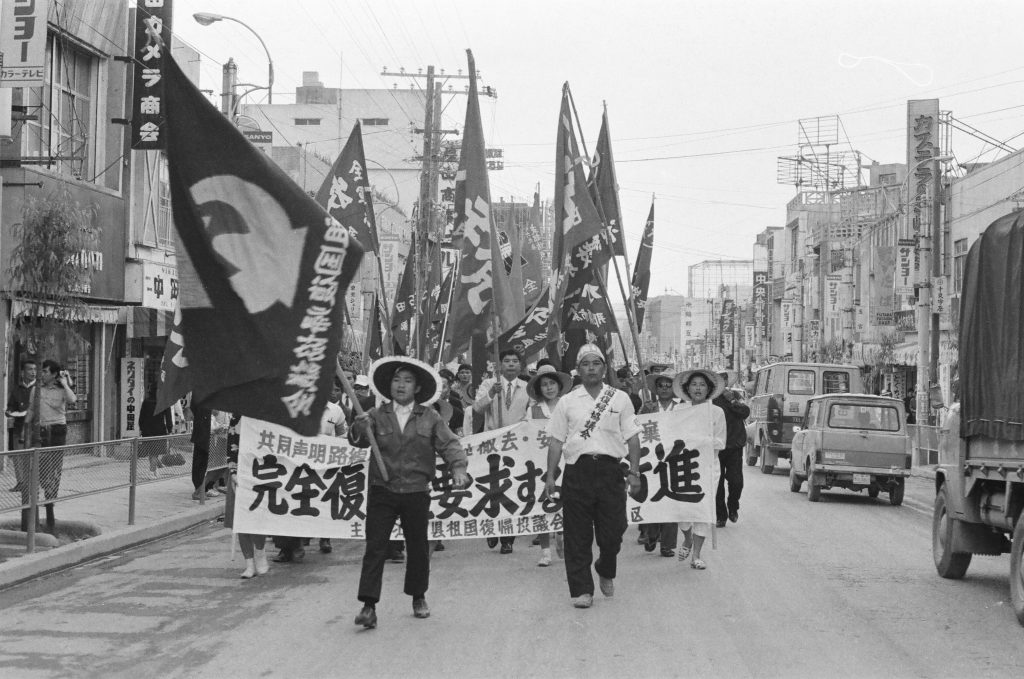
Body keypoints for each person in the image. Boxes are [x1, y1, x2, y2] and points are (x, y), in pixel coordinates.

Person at [350, 355, 468, 629]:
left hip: (416, 491)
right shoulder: (375, 415)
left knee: (417, 547)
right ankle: (368, 606)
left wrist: (459, 468)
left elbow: (450, 445)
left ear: (417, 388)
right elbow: (358, 441)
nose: (401, 385)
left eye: (407, 381)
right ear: (389, 385)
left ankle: (418, 596)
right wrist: (359, 427)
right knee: (375, 547)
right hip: (383, 489)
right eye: (396, 380)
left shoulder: (430, 417)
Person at [544, 344, 642, 609]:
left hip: (611, 471)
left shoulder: (619, 398)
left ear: (605, 368)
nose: (591, 369)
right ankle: (582, 590)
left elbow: (633, 437)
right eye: (585, 364)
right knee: (577, 533)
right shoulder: (567, 401)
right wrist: (550, 476)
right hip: (578, 471)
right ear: (578, 369)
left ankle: (605, 567)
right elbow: (556, 441)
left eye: (596, 363)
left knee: (614, 531)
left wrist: (634, 472)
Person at [474, 348, 531, 554]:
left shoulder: (527, 388)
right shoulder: (488, 384)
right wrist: (491, 394)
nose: (511, 364)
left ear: (520, 365)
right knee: (492, 488)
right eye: (507, 361)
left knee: (512, 489)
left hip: (516, 445)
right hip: (492, 444)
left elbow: (531, 415)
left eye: (515, 361)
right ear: (499, 365)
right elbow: (477, 408)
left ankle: (508, 538)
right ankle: (492, 528)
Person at [672, 368, 726, 570]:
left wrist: (702, 441)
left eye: (702, 385)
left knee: (703, 510)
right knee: (683, 510)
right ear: (687, 388)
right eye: (694, 384)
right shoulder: (679, 410)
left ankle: (696, 555)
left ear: (709, 389)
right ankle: (687, 538)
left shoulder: (717, 412)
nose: (698, 388)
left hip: (707, 467)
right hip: (682, 466)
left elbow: (721, 442)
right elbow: (670, 436)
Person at [524, 364, 572, 567]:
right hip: (540, 463)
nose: (549, 388)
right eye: (544, 385)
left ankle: (561, 536)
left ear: (559, 386)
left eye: (552, 383)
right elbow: (527, 436)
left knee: (567, 504)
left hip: (566, 461)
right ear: (539, 388)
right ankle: (545, 551)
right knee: (542, 506)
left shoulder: (567, 405)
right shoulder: (533, 410)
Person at [24, 359, 77, 532]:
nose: (42, 374)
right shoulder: (36, 389)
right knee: (40, 470)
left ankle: (50, 510)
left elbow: (72, 399)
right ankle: (40, 509)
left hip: (57, 431)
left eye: (46, 371)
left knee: (54, 471)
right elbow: (32, 409)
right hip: (40, 431)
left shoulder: (62, 389)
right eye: (42, 371)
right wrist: (25, 430)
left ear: (54, 374)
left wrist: (64, 383)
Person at [638, 371, 680, 557]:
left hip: (675, 459)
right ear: (655, 389)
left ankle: (667, 544)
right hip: (652, 459)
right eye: (661, 386)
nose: (664, 389)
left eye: (668, 386)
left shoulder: (682, 408)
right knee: (653, 498)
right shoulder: (649, 407)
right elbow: (637, 426)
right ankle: (652, 534)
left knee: (672, 501)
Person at [225, 413, 270, 579]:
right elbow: (231, 446)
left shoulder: (268, 415)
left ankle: (260, 552)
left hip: (263, 474)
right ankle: (249, 563)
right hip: (241, 474)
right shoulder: (237, 418)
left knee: (258, 518)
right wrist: (233, 472)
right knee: (241, 520)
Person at [713, 372, 751, 528]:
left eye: (724, 379)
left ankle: (733, 505)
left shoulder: (734, 395)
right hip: (716, 447)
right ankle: (720, 515)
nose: (722, 383)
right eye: (718, 380)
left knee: (736, 482)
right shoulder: (709, 399)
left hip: (734, 445)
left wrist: (732, 400)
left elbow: (745, 412)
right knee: (717, 483)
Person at [6, 358, 36, 495]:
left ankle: (32, 484)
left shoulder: (38, 389)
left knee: (32, 457)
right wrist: (9, 411)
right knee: (18, 456)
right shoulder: (17, 389)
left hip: (34, 430)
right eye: (30, 369)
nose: (33, 372)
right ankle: (21, 482)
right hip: (19, 427)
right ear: (23, 372)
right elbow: (10, 407)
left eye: (35, 369)